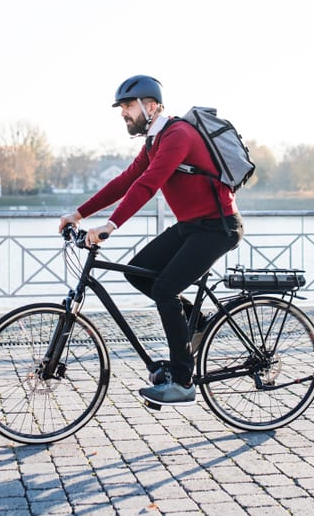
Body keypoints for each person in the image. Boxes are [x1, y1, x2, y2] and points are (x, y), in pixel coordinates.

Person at [58, 75, 244, 406]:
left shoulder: (178, 135)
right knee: (137, 270)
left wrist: (110, 226)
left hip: (218, 228)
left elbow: (149, 185)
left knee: (164, 289)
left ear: (151, 106)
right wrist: (79, 214)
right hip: (191, 226)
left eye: (128, 106)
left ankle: (183, 383)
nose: (123, 113)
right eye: (122, 108)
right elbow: (126, 181)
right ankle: (197, 321)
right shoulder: (154, 142)